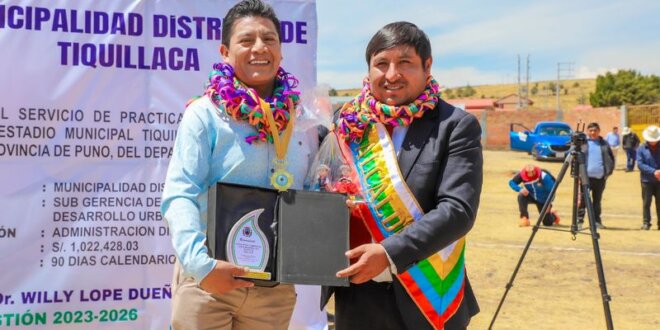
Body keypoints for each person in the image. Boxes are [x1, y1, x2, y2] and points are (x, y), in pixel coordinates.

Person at [160, 1, 321, 329]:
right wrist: (200, 266)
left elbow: (312, 193)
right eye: (246, 40)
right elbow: (180, 193)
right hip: (209, 282)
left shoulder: (304, 121)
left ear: (281, 49)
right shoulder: (204, 114)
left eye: (269, 39)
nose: (259, 48)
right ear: (224, 51)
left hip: (272, 291)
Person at [323, 21, 482, 330]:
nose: (391, 74)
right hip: (356, 295)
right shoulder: (346, 123)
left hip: (426, 295)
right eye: (381, 64)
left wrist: (388, 252)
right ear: (369, 70)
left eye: (404, 63)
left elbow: (458, 210)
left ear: (427, 66)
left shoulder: (455, 126)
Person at [577, 122, 615, 229]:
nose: (593, 132)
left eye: (595, 130)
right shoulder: (583, 144)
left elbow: (610, 159)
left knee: (597, 201)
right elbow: (575, 158)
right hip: (585, 178)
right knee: (583, 200)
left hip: (600, 178)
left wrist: (607, 173)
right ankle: (579, 221)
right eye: (591, 130)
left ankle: (596, 222)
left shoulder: (604, 144)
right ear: (588, 131)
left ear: (599, 131)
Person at [637, 125, 660, 230]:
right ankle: (646, 223)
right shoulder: (641, 148)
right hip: (646, 181)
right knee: (646, 203)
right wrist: (653, 172)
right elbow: (640, 164)